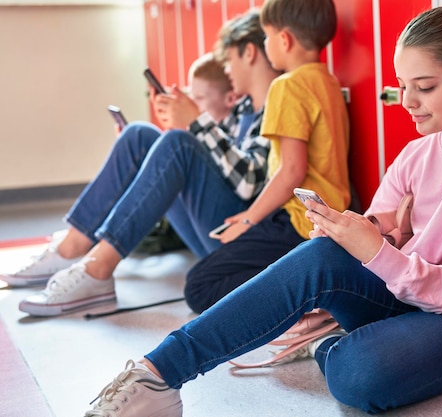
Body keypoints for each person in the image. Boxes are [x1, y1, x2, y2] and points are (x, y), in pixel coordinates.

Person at [83, 4, 442, 416]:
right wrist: (362, 231)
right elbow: (382, 223)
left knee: (358, 376)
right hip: (415, 295)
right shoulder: (420, 151)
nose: (406, 102)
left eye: (424, 87)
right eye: (402, 85)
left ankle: (331, 346)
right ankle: (157, 375)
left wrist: (378, 250)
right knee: (319, 258)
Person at [5, 25, 280, 316]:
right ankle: (71, 248)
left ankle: (97, 270)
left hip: (238, 236)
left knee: (177, 144)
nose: (226, 69)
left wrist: (195, 124)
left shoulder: (277, 105)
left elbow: (249, 182)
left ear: (249, 54)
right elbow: (216, 165)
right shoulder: (241, 109)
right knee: (139, 136)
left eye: (228, 60)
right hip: (213, 226)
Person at [181, 0, 351, 314]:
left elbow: (291, 171)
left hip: (296, 222)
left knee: (199, 286)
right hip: (326, 221)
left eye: (267, 38)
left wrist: (248, 219)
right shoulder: (326, 81)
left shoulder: (286, 86)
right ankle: (307, 285)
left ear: (283, 40)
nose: (265, 45)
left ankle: (309, 297)